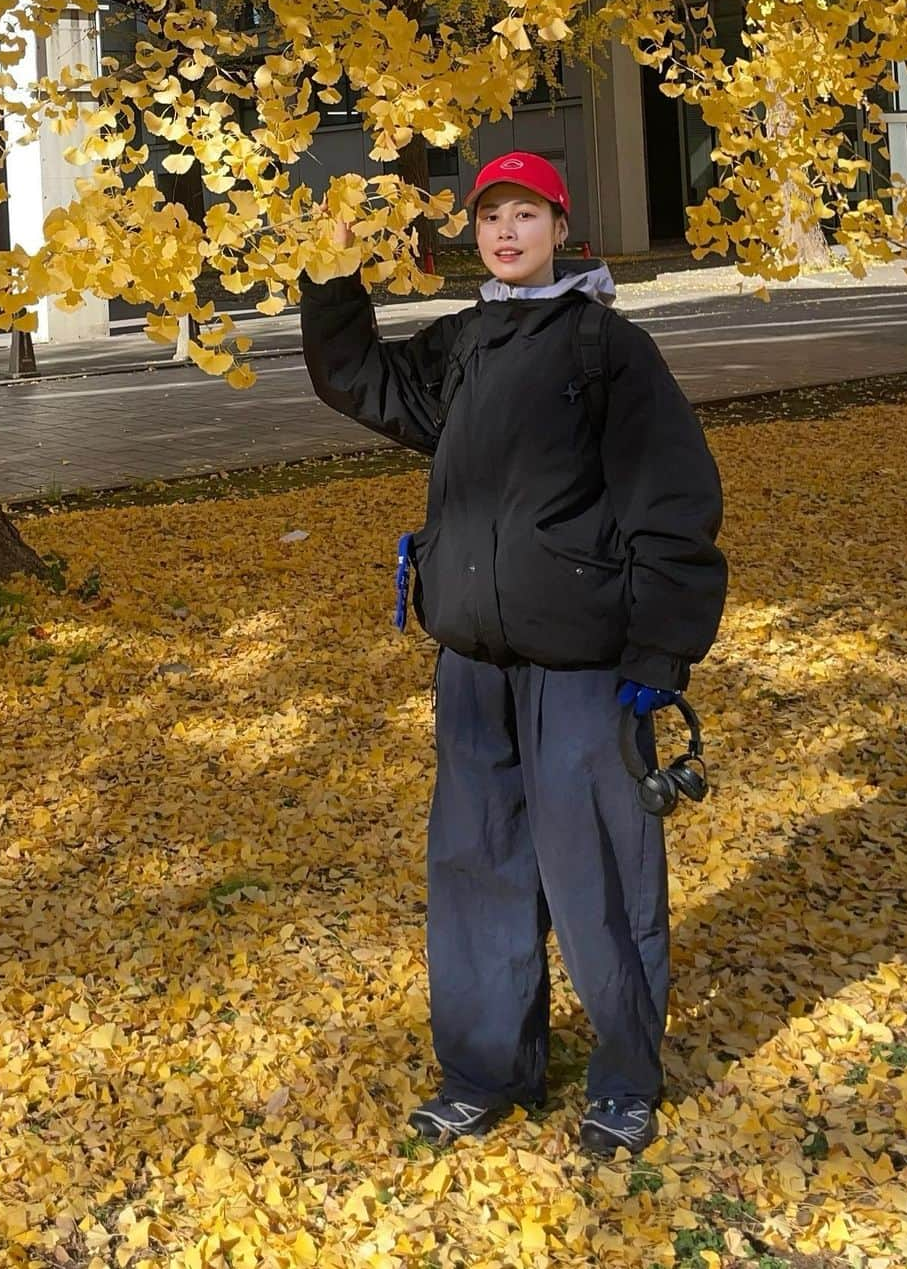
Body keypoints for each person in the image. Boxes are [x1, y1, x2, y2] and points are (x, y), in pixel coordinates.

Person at [300, 151, 727, 1156]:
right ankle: (487, 1069)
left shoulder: (609, 349)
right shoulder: (462, 345)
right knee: (477, 864)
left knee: (603, 877)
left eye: (524, 215)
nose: (505, 232)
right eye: (490, 216)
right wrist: (329, 268)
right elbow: (359, 378)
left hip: (584, 666)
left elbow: (673, 502)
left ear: (559, 227)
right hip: (474, 664)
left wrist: (660, 651)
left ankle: (625, 1074)